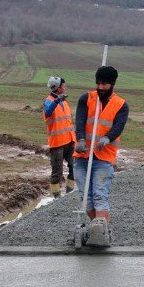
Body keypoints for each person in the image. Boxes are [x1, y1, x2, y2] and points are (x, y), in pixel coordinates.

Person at [73, 65, 128, 246]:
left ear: (112, 84)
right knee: (85, 196)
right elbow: (80, 119)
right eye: (98, 83)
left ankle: (102, 231)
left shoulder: (121, 105)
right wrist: (80, 139)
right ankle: (94, 228)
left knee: (99, 195)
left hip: (103, 157)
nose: (100, 87)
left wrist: (108, 137)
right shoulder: (86, 99)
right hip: (82, 155)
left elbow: (119, 126)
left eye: (104, 84)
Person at [43, 76, 76, 196]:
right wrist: (57, 101)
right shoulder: (48, 101)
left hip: (70, 140)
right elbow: (48, 112)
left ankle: (69, 194)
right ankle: (56, 199)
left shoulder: (64, 101)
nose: (65, 87)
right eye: (63, 85)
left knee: (74, 167)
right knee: (57, 172)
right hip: (57, 143)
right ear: (57, 88)